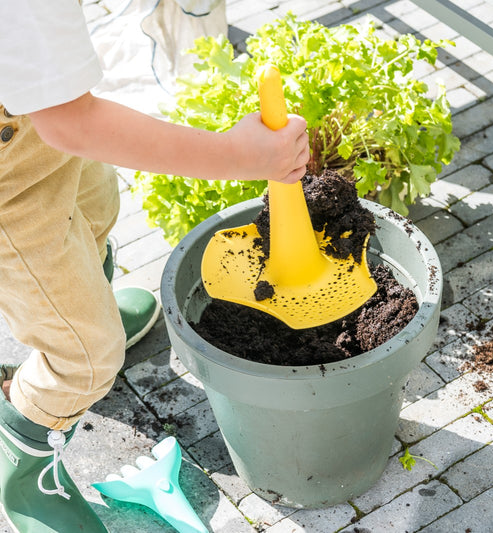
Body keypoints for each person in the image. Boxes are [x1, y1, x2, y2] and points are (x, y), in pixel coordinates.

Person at [0, 1, 309, 532]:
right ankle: (26, 467)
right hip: (8, 189)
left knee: (95, 213)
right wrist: (239, 157)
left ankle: (82, 310)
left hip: (32, 125)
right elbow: (72, 123)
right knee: (90, 355)